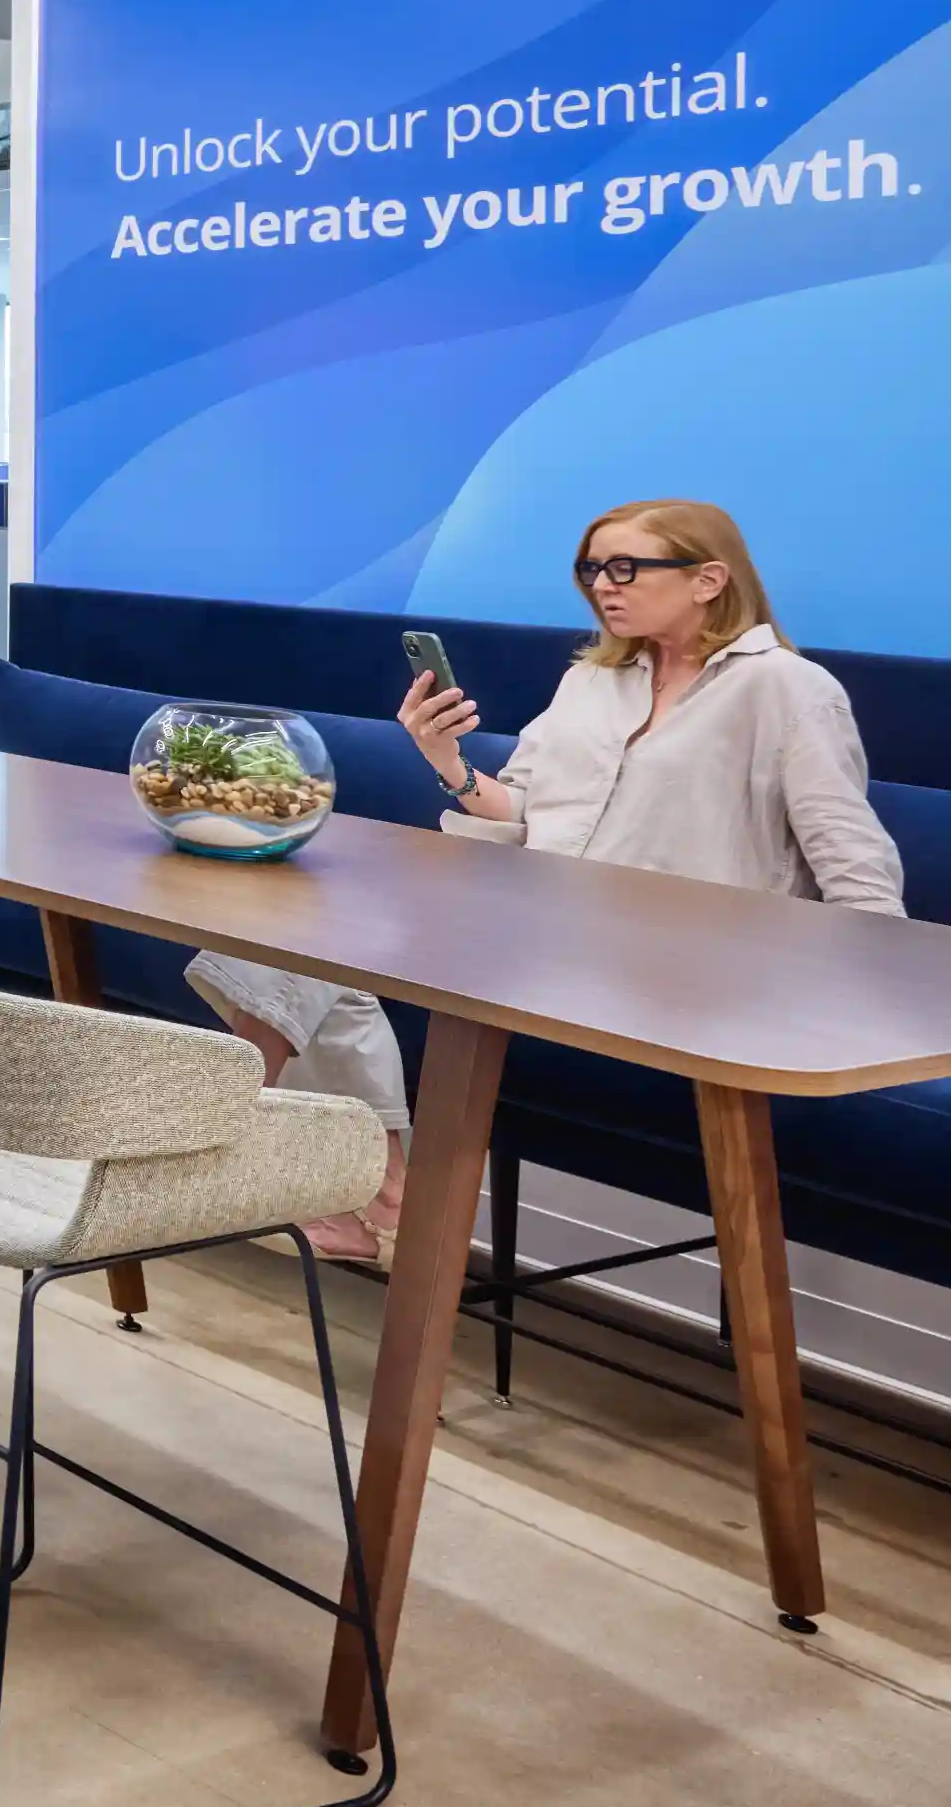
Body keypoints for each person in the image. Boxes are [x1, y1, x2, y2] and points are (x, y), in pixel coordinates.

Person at [189, 497, 902, 1262]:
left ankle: (205, 1155)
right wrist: (449, 763)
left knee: (332, 928)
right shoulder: (592, 681)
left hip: (681, 964)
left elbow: (857, 868)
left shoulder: (790, 691)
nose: (603, 586)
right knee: (302, 922)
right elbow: (523, 807)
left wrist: (860, 1006)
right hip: (534, 922)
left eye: (625, 567)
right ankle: (378, 1181)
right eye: (591, 570)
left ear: (708, 579)